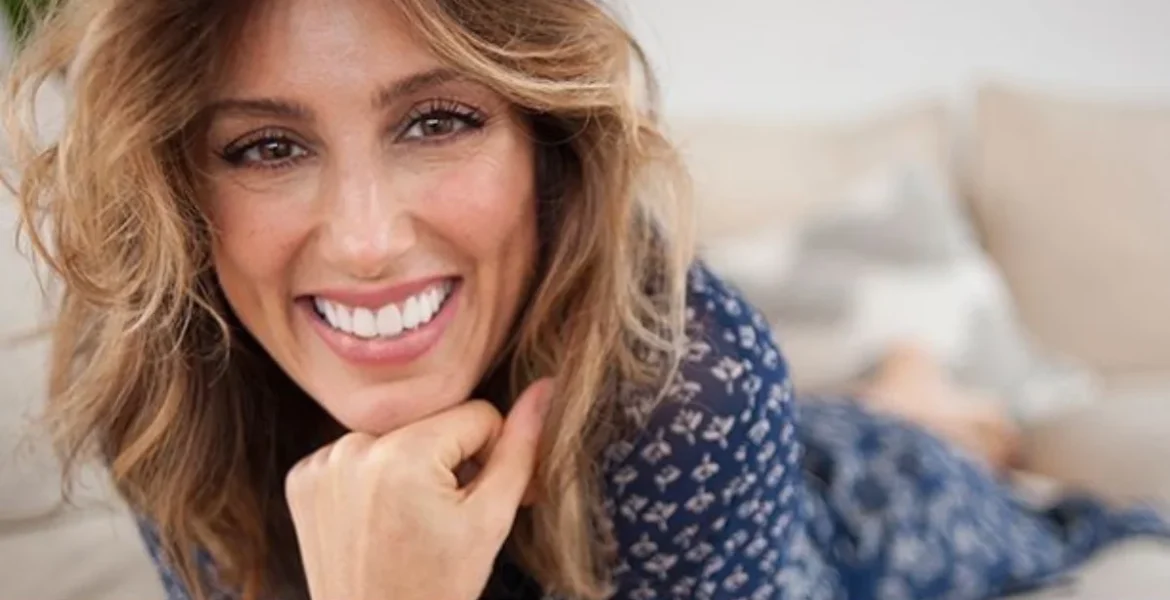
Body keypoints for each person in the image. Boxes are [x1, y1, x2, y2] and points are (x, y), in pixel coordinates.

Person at [4, 1, 1165, 599]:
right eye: (265, 146)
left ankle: (928, 408)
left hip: (854, 528)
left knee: (946, 457)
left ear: (544, 144)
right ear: (178, 184)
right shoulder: (166, 376)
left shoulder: (693, 392)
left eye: (437, 121)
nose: (363, 242)